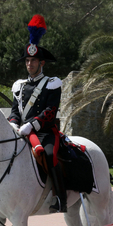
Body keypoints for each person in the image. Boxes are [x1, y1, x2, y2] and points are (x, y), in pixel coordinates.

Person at [8, 15, 67, 213]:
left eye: (33, 61)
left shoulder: (52, 83)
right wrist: (14, 124)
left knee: (50, 155)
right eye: (27, 60)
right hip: (22, 131)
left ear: (42, 63)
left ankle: (61, 198)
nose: (29, 64)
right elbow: (16, 111)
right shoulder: (19, 86)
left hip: (45, 132)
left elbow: (50, 112)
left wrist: (31, 125)